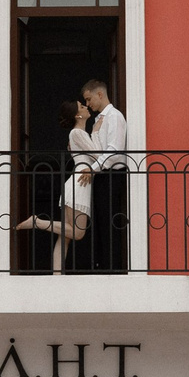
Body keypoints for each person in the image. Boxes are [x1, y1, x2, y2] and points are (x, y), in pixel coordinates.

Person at [14, 98, 96, 274]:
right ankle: (37, 222)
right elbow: (99, 155)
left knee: (64, 235)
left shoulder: (78, 134)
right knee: (78, 232)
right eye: (82, 106)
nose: (86, 107)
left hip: (76, 182)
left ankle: (57, 274)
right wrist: (97, 132)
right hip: (80, 184)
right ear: (77, 115)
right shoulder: (78, 133)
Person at [79, 78, 128, 273]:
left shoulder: (114, 117)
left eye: (89, 99)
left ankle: (112, 269)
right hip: (100, 176)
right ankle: (102, 266)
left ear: (100, 94)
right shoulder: (97, 120)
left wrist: (93, 168)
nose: (88, 104)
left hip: (111, 176)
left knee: (109, 224)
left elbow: (114, 150)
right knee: (99, 223)